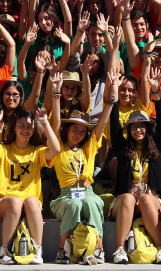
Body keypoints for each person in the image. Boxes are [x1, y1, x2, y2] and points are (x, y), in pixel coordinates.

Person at [48, 69, 118, 264]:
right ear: (67, 130)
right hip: (65, 195)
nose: (78, 133)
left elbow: (102, 124)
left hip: (87, 191)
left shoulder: (88, 148)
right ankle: (62, 249)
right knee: (75, 204)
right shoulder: (59, 147)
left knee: (92, 202)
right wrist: (55, 94)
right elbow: (54, 124)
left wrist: (111, 100)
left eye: (82, 130)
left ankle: (99, 248)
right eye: (74, 129)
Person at [0, 104, 60, 265]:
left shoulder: (37, 151)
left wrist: (45, 123)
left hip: (29, 205)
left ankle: (37, 249)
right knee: (15, 201)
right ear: (13, 128)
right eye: (21, 126)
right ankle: (4, 251)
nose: (25, 129)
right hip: (5, 203)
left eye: (29, 126)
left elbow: (56, 149)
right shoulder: (4, 149)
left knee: (32, 201)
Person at [108, 95, 161, 264]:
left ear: (148, 129)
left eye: (142, 126)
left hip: (150, 201)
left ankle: (160, 250)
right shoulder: (123, 149)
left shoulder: (156, 148)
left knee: (146, 200)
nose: (138, 130)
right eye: (133, 127)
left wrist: (157, 97)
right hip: (125, 202)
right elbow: (114, 129)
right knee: (128, 198)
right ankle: (120, 249)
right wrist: (114, 100)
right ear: (129, 130)